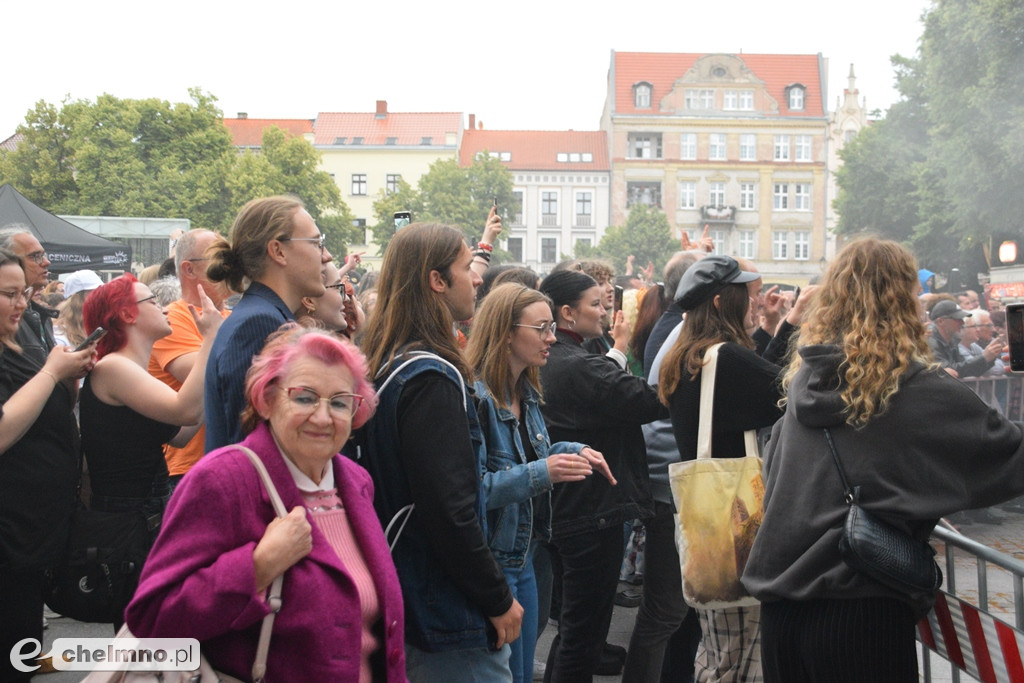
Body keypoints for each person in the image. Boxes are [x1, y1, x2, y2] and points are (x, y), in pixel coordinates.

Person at [741, 237, 1024, 682]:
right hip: (860, 610)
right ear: (904, 304)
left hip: (781, 609)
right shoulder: (914, 387)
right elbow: (1008, 456)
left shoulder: (804, 381)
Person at [126, 326, 406, 681]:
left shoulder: (355, 480)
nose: (323, 417)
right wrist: (257, 567)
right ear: (266, 399)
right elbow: (154, 619)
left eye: (339, 402)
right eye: (304, 397)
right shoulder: (223, 480)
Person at [360, 222, 522, 681]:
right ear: (436, 280)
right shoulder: (430, 377)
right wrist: (497, 598)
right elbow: (450, 509)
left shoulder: (395, 361)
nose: (478, 278)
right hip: (443, 609)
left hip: (417, 596)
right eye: (468, 265)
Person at [658, 255, 812, 682]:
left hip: (709, 528)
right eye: (750, 295)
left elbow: (765, 378)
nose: (758, 304)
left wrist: (790, 323)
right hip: (737, 530)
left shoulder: (692, 355)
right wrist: (804, 328)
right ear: (724, 301)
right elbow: (792, 388)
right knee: (735, 658)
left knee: (721, 650)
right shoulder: (725, 359)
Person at [466, 282, 614, 683]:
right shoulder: (475, 397)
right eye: (542, 328)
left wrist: (572, 448)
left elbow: (533, 453)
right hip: (496, 563)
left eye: (551, 326)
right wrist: (544, 472)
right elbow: (474, 490)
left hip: (527, 554)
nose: (552, 337)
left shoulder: (525, 388)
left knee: (520, 674)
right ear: (505, 331)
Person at [536, 269, 666, 682]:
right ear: (567, 313)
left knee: (576, 628)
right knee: (584, 633)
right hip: (590, 511)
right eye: (596, 303)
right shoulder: (575, 364)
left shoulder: (563, 357)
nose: (605, 308)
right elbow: (646, 400)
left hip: (569, 507)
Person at [80, 273, 223, 624]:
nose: (164, 308)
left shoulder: (127, 368)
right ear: (127, 315)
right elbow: (185, 411)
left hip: (142, 512)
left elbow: (181, 434)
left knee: (151, 627)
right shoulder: (113, 367)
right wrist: (212, 339)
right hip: (128, 519)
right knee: (142, 630)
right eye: (152, 301)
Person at [0, 249, 96, 682]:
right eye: (8, 294)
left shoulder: (21, 339)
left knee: (25, 648)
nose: (22, 303)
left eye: (24, 292)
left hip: (36, 528)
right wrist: (50, 374)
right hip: (10, 533)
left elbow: (47, 411)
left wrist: (67, 376)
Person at [204, 195, 334, 450]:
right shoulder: (259, 324)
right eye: (317, 243)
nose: (327, 256)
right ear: (278, 251)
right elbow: (248, 449)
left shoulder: (265, 315)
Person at [148, 229, 232, 490]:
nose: (229, 267)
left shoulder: (232, 316)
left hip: (228, 460)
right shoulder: (171, 319)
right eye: (219, 260)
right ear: (189, 270)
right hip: (189, 470)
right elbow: (214, 378)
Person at [0, 226, 56, 365]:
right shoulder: (7, 321)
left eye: (43, 255)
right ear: (7, 259)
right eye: (35, 256)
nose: (46, 262)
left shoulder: (42, 316)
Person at [53, 270, 104, 348]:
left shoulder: (99, 326)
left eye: (101, 292)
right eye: (94, 293)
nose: (100, 298)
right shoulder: (60, 336)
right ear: (76, 299)